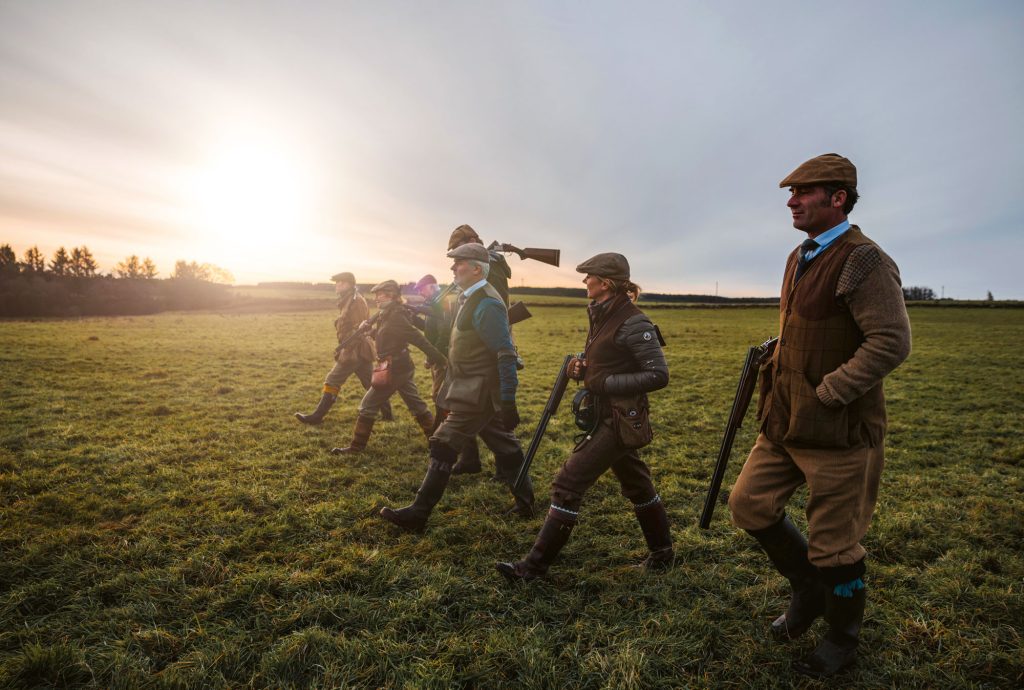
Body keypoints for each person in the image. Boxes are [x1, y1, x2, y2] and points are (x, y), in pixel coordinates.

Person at [727, 154, 911, 678]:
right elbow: (811, 326)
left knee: (834, 546)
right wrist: (778, 355)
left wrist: (831, 392)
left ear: (838, 199)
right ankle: (807, 589)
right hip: (784, 421)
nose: (791, 201)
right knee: (749, 506)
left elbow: (891, 341)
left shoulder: (865, 260)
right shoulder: (798, 255)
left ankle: (841, 636)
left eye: (803, 192)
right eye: (791, 193)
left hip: (839, 430)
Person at [496, 252, 673, 582]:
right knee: (637, 484)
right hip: (609, 415)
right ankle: (663, 554)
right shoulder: (603, 314)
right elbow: (607, 359)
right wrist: (581, 366)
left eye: (589, 276)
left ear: (605, 283)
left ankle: (532, 569)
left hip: (618, 418)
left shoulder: (634, 321)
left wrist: (602, 382)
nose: (584, 281)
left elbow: (658, 375)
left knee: (567, 484)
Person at [379, 243, 534, 531]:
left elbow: (505, 353)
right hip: (469, 388)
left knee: (442, 442)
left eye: (459, 262)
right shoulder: (468, 298)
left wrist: (508, 400)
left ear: (477, 268)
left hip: (478, 392)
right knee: (505, 445)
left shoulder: (487, 304)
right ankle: (527, 503)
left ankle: (418, 513)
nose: (452, 268)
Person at [330, 280, 446, 454]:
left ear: (391, 296)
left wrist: (442, 360)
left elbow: (420, 340)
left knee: (367, 405)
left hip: (394, 369)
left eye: (381, 295)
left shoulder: (397, 316)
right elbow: (388, 338)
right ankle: (437, 442)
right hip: (402, 367)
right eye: (376, 295)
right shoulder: (387, 313)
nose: (377, 298)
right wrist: (370, 331)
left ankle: (356, 448)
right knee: (417, 406)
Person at [294, 272, 392, 425]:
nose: (336, 286)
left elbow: (360, 329)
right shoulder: (348, 300)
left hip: (355, 350)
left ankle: (317, 417)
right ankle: (388, 414)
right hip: (359, 350)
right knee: (371, 384)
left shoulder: (356, 301)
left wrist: (345, 348)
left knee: (332, 380)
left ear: (347, 284)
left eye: (339, 282)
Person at [412, 274, 482, 474]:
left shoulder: (441, 303)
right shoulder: (434, 304)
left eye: (422, 288)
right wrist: (415, 319)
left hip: (442, 359)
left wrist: (433, 356)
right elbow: (431, 329)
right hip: (439, 358)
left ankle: (443, 440)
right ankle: (460, 450)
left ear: (432, 286)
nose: (420, 292)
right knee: (445, 401)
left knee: (445, 401)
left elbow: (444, 333)